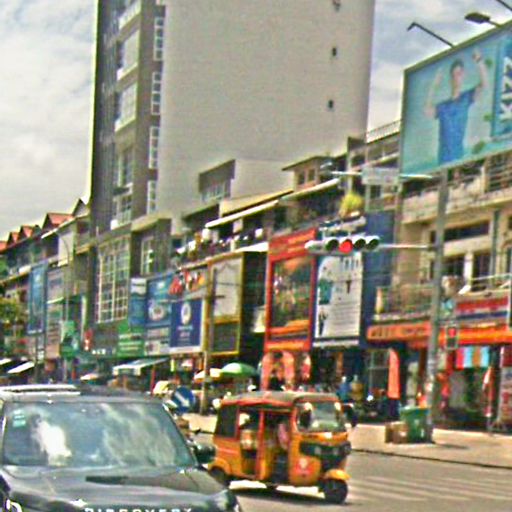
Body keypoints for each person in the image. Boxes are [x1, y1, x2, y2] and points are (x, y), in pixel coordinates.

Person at [424, 48, 488, 166]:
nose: (456, 78)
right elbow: (427, 111)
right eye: (454, 75)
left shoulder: (466, 98)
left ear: (463, 75)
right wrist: (434, 86)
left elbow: (484, 85)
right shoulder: (443, 107)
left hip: (458, 158)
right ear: (450, 77)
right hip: (443, 160)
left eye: (459, 74)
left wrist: (479, 61)